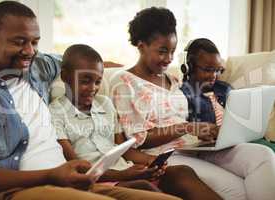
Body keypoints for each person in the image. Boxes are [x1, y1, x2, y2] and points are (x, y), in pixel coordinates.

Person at [0, 2, 184, 200]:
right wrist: (51, 175)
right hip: (21, 189)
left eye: (35, 42)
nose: (30, 51)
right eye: (19, 42)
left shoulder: (35, 68)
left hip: (70, 181)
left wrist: (109, 66)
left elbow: (67, 60)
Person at [110, 7, 275, 200]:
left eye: (172, 51)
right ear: (141, 46)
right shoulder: (124, 82)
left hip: (197, 147)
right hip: (167, 156)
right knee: (237, 190)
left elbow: (190, 117)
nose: (169, 59)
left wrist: (211, 130)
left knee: (262, 155)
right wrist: (188, 127)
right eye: (162, 51)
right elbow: (139, 140)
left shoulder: (172, 79)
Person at [49, 44, 222, 200]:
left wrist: (151, 163)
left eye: (98, 81)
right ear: (65, 76)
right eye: (85, 81)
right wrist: (124, 175)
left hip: (126, 172)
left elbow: (124, 150)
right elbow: (77, 170)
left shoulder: (105, 104)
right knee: (143, 187)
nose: (93, 88)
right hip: (99, 181)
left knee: (182, 172)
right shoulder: (55, 112)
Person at [180, 38, 275, 151]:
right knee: (265, 152)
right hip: (213, 148)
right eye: (208, 70)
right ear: (189, 68)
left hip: (237, 141)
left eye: (217, 70)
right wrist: (199, 134)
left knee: (268, 148)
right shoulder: (184, 95)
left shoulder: (224, 88)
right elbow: (181, 130)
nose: (213, 75)